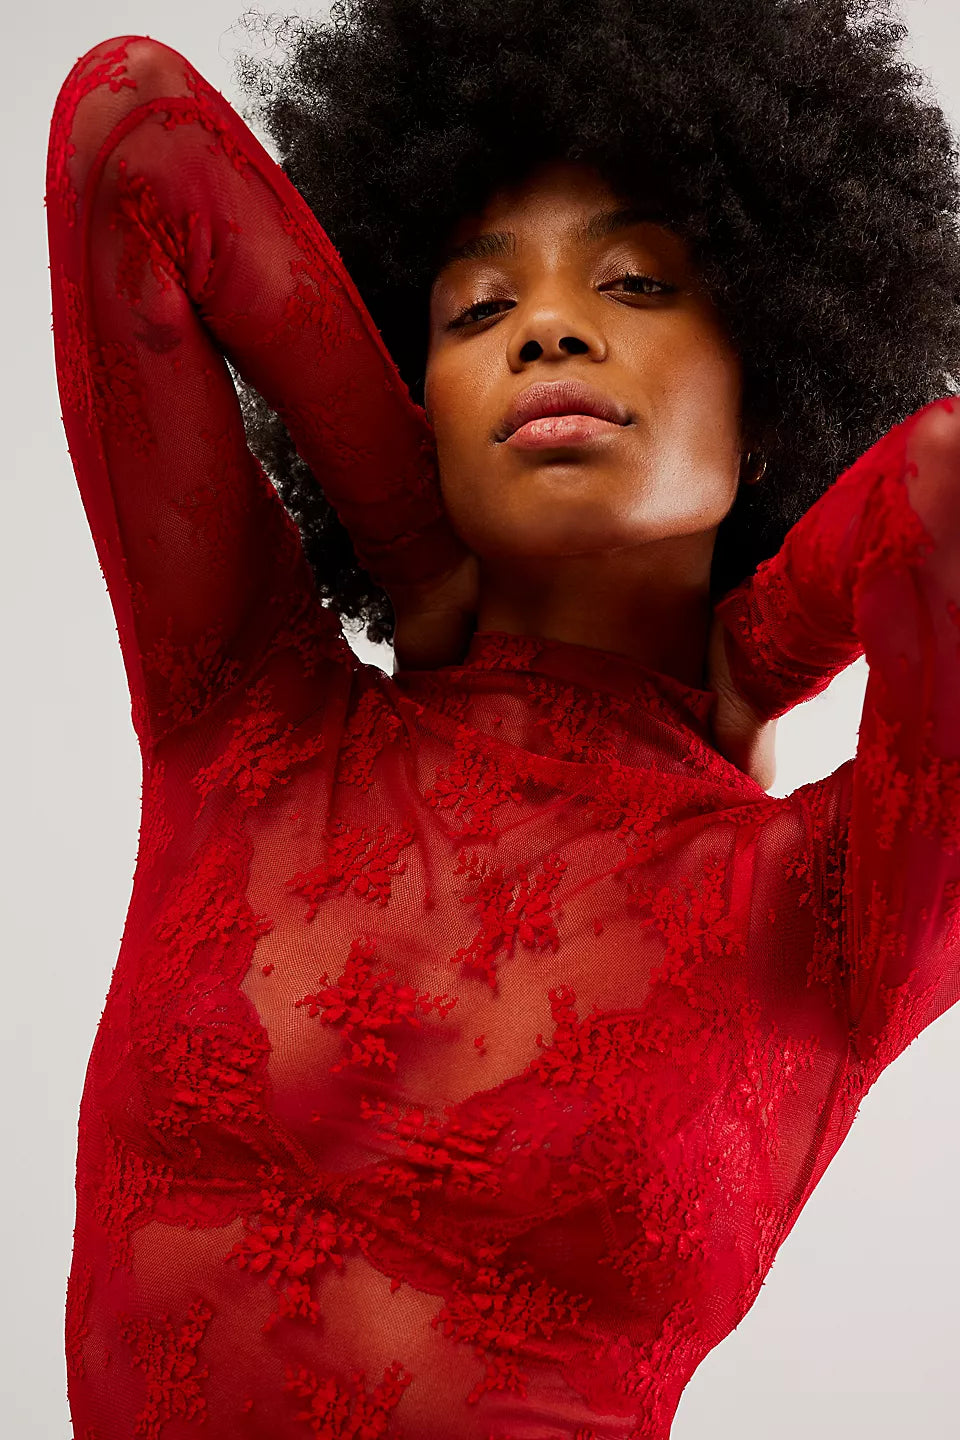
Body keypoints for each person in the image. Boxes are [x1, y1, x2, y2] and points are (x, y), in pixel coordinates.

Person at [47, 3, 960, 1436]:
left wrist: (760, 659)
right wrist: (411, 545)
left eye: (637, 283)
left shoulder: (831, 908)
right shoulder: (253, 710)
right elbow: (127, 129)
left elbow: (945, 491)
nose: (547, 324)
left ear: (772, 400)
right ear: (419, 396)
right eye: (477, 309)